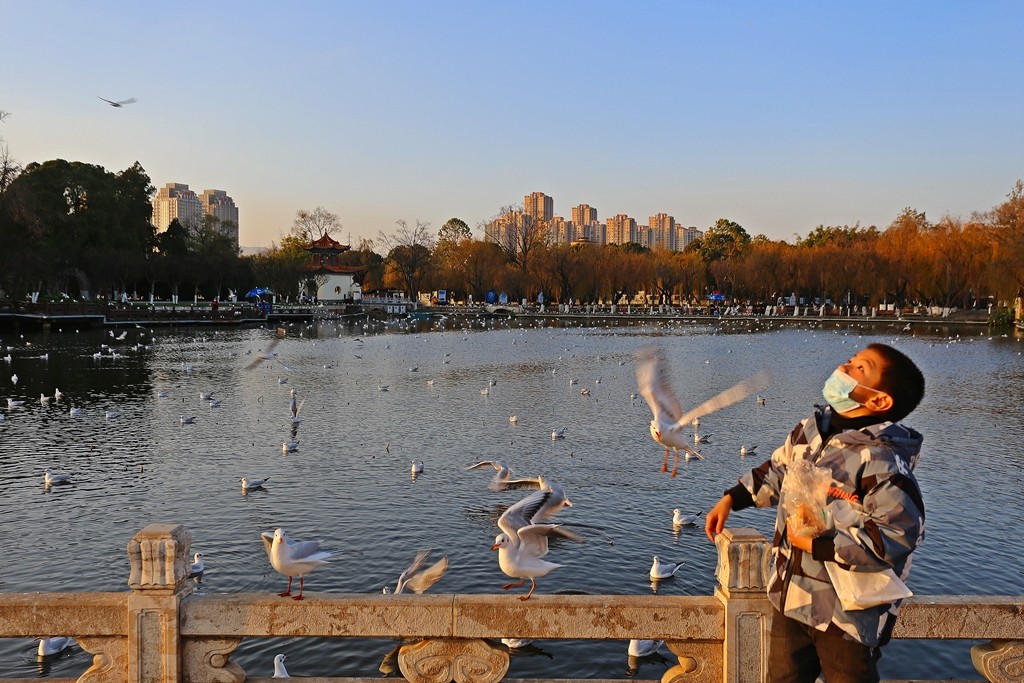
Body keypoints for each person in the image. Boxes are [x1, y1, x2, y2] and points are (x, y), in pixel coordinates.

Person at [705, 343, 925, 683]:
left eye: (860, 368)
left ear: (880, 400)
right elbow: (778, 470)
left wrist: (821, 546)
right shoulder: (810, 430)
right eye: (850, 361)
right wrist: (732, 499)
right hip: (791, 595)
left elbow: (896, 535)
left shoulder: (882, 463)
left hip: (847, 615)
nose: (845, 367)